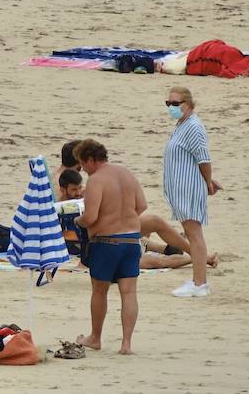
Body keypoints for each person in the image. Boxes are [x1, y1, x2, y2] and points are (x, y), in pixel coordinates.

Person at [73, 140, 145, 355]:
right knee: (129, 292)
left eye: (83, 165)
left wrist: (78, 221)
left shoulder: (97, 179)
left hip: (106, 242)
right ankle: (126, 344)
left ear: (91, 160)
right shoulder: (127, 173)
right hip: (132, 240)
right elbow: (142, 206)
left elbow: (91, 216)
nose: (83, 170)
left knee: (99, 291)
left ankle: (95, 337)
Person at [61, 172, 215, 272]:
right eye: (74, 190)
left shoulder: (88, 195)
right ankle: (197, 258)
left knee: (154, 220)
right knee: (154, 262)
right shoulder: (58, 210)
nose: (78, 193)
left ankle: (186, 251)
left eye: (79, 188)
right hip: (99, 246)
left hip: (114, 232)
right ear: (63, 190)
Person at [162, 88, 221, 298]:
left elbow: (203, 158)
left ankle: (200, 283)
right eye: (168, 103)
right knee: (190, 233)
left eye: (175, 103)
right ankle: (198, 279)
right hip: (182, 187)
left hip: (189, 188)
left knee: (194, 234)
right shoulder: (182, 125)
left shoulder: (194, 127)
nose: (171, 107)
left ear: (187, 104)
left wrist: (208, 182)